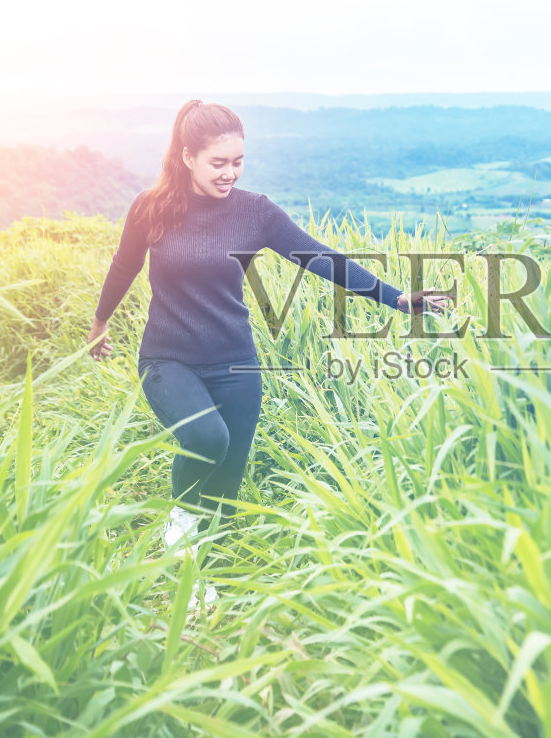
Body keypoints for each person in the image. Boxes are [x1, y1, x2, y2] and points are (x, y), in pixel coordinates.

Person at [88, 99, 451, 585]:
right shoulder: (149, 208)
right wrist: (100, 322)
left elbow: (320, 258)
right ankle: (177, 543)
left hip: (236, 364)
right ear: (186, 156)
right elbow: (124, 265)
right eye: (218, 163)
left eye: (238, 162)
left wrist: (398, 299)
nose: (230, 173)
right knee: (204, 439)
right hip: (168, 359)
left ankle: (210, 578)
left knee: (224, 497)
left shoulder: (254, 213)